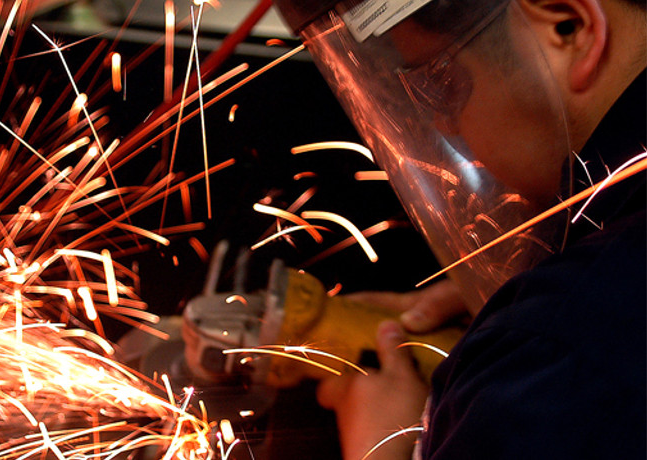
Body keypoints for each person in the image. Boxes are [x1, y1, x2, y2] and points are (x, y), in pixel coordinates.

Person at [271, 0, 646, 458]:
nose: (442, 122)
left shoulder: (555, 355)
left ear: (568, 25)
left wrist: (384, 447)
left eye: (441, 83)